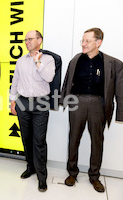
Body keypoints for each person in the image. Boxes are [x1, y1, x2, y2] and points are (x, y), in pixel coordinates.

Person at [60, 28, 123, 193]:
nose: (83, 44)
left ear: (98, 42)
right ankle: (72, 172)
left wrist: (121, 113)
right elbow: (67, 81)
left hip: (98, 104)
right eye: (82, 40)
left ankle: (94, 176)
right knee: (73, 139)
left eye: (87, 41)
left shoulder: (113, 63)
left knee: (97, 142)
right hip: (77, 102)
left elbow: (120, 91)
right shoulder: (76, 60)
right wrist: (62, 100)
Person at [10, 30, 55, 192]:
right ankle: (31, 167)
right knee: (26, 138)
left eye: (30, 39)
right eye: (25, 39)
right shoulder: (21, 61)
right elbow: (15, 81)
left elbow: (49, 78)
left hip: (41, 103)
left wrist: (38, 62)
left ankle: (42, 177)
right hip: (22, 102)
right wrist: (12, 100)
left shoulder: (48, 59)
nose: (27, 42)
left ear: (39, 40)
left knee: (39, 141)